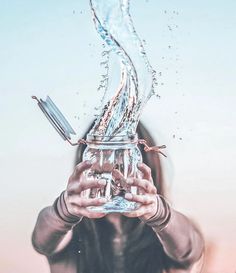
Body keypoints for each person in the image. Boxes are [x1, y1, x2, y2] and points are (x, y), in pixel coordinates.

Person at [32, 122, 204, 273]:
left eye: (122, 166)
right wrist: (63, 210)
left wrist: (159, 213)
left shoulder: (170, 239)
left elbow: (189, 249)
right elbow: (42, 241)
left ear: (146, 168)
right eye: (101, 169)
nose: (113, 179)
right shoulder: (72, 241)